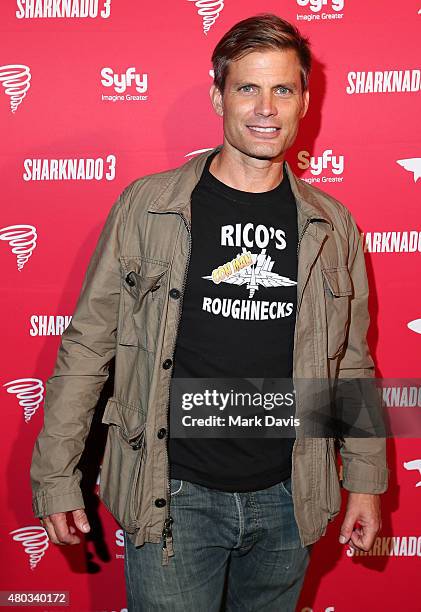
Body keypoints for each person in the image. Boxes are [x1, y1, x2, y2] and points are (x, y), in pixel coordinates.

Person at [31, 14, 389, 611]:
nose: (266, 107)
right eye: (248, 87)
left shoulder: (333, 226)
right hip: (172, 494)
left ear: (305, 100)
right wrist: (57, 475)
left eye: (283, 89)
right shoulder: (148, 207)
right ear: (218, 96)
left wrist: (366, 481)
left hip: (289, 496)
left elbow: (350, 365)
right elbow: (90, 344)